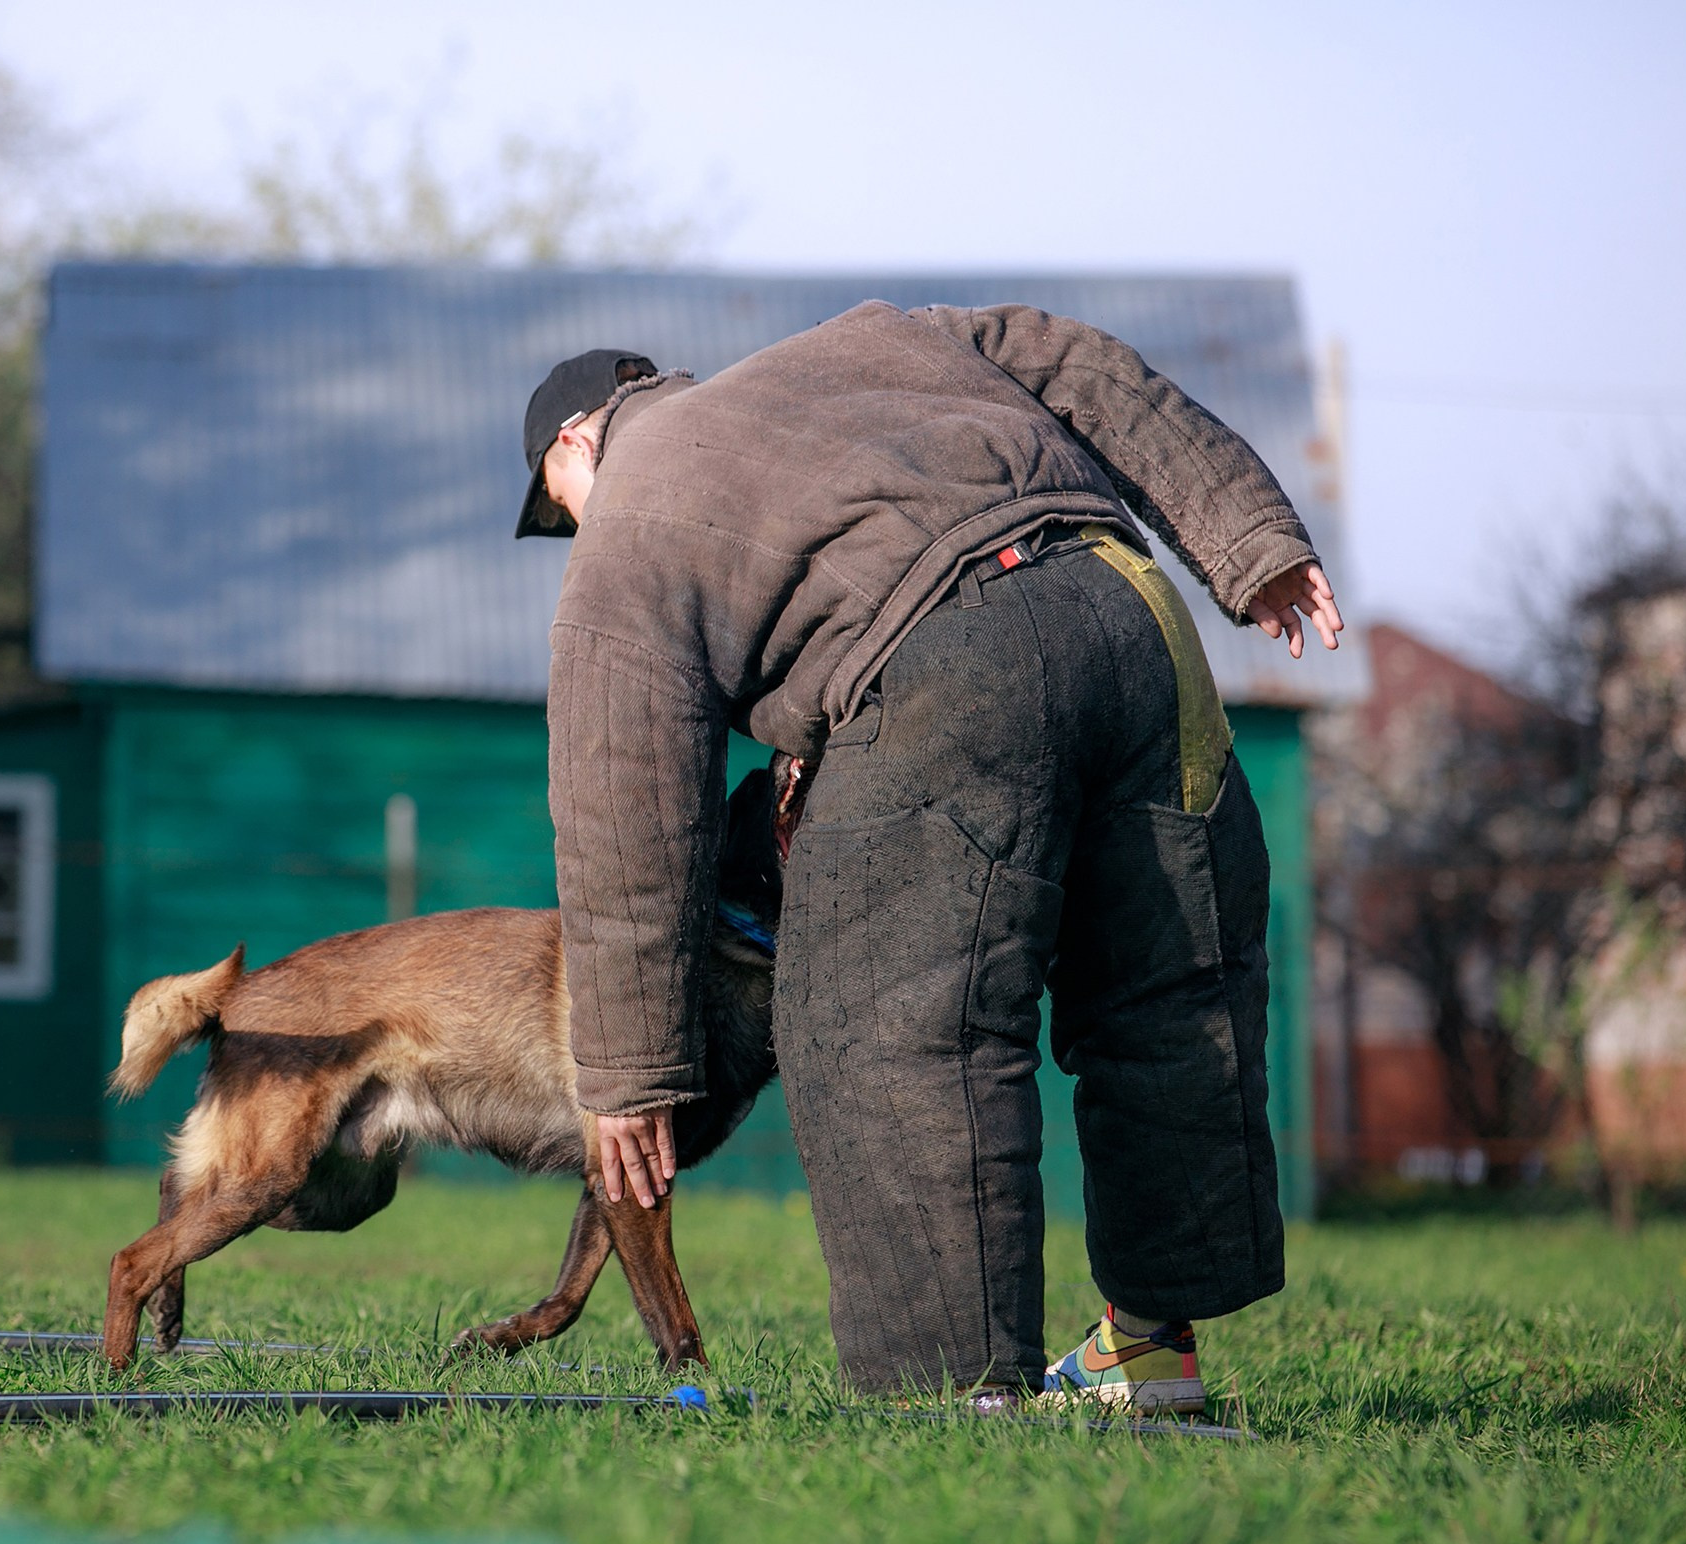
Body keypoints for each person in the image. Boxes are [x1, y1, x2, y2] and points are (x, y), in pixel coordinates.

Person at [515, 310, 1343, 1412]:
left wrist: (625, 1076)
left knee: (890, 1020)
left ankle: (955, 1397)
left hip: (948, 662)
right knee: (1170, 990)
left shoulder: (630, 515)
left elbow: (627, 813)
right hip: (1132, 612)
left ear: (576, 440)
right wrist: (1251, 542)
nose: (573, 531)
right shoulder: (870, 342)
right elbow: (1076, 360)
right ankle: (1149, 1357)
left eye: (554, 506)